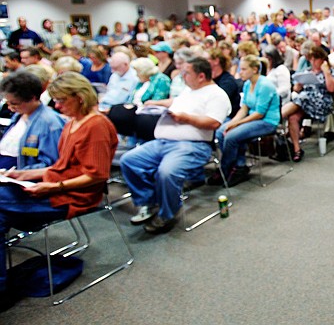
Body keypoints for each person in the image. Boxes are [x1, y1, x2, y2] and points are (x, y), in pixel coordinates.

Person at [0, 72, 117, 311]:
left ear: (80, 97)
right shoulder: (73, 122)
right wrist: (27, 174)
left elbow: (96, 175)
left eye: (62, 100)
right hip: (57, 187)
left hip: (76, 196)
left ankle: (3, 289)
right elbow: (61, 165)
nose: (57, 105)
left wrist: (52, 186)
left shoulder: (96, 126)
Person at [120, 57, 231, 234]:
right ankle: (149, 202)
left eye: (187, 73)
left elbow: (213, 123)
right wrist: (155, 104)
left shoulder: (216, 94)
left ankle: (167, 213)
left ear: (201, 76)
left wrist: (185, 118)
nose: (182, 76)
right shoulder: (189, 90)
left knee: (166, 172)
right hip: (163, 142)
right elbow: (174, 102)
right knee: (129, 160)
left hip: (192, 145)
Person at [209, 55, 280, 186]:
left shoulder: (265, 85)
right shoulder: (247, 84)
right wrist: (232, 123)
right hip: (253, 118)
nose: (239, 72)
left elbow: (259, 114)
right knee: (221, 131)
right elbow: (244, 108)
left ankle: (225, 169)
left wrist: (236, 124)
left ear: (254, 69)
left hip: (267, 122)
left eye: (243, 69)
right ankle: (239, 165)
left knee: (231, 137)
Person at [281, 46, 334, 162]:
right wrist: (299, 85)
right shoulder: (306, 72)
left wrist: (326, 71)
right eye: (311, 59)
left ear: (323, 59)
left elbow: (332, 89)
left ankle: (277, 116)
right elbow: (296, 90)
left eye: (316, 59)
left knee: (301, 98)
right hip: (305, 103)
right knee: (293, 117)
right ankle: (297, 150)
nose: (313, 62)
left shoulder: (330, 72)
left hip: (322, 102)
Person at [0, 71, 65, 170]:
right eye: (8, 103)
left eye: (14, 103)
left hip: (22, 175)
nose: (10, 108)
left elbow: (50, 163)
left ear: (32, 98)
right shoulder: (19, 116)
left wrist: (19, 173)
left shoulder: (50, 123)